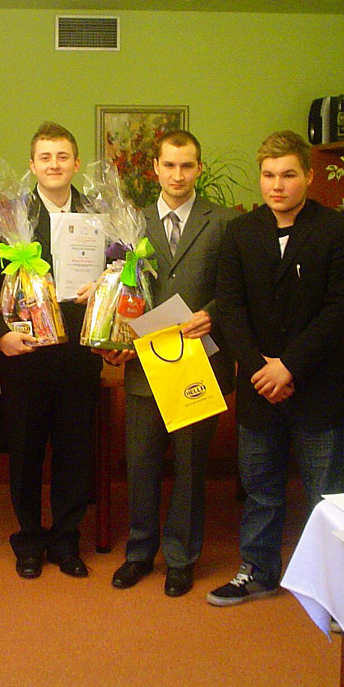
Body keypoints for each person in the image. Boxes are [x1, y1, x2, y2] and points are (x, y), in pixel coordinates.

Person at [208, 129, 344, 606]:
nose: (277, 185)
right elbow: (230, 308)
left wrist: (288, 367)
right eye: (269, 175)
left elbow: (340, 309)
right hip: (259, 386)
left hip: (317, 384)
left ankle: (332, 587)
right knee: (261, 491)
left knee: (326, 497)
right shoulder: (240, 233)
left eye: (289, 174)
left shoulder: (336, 230)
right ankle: (257, 571)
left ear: (309, 176)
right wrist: (261, 369)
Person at [102, 130, 237, 598]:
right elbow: (116, 287)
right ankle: (140, 552)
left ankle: (181, 558)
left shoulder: (225, 222)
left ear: (199, 168)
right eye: (170, 165)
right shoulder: (130, 222)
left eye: (187, 166)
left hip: (199, 359)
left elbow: (237, 287)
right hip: (145, 366)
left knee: (191, 466)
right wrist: (115, 337)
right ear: (155, 168)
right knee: (140, 465)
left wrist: (213, 313)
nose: (178, 175)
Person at [0, 121, 103, 579]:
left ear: (76, 163)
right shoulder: (11, 216)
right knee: (25, 453)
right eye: (45, 157)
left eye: (62, 156)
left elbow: (124, 270)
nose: (54, 165)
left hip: (80, 354)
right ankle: (28, 540)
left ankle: (67, 540)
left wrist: (105, 284)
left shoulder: (98, 214)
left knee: (74, 453)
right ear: (32, 164)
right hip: (24, 353)